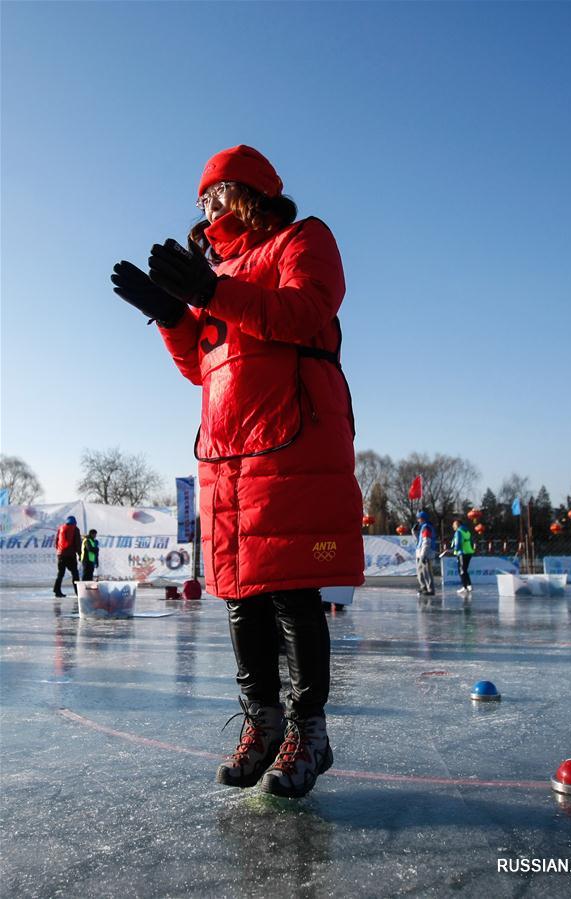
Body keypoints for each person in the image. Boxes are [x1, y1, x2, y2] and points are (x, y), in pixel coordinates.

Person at [111, 144, 364, 799]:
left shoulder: (301, 239)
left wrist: (209, 291)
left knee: (290, 585)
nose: (206, 207)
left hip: (292, 438)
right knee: (240, 593)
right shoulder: (214, 267)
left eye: (215, 194)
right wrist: (172, 313)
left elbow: (302, 312)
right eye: (201, 199)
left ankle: (309, 732)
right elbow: (202, 362)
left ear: (249, 192)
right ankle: (263, 724)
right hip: (226, 448)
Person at [53, 516, 81, 598]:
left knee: (60, 574)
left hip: (61, 554)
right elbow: (77, 543)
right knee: (75, 574)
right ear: (75, 522)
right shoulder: (75, 529)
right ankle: (78, 592)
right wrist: (79, 554)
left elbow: (56, 541)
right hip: (70, 555)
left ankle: (57, 590)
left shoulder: (61, 528)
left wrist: (59, 551)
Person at [415, 510, 436, 596]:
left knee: (426, 572)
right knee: (420, 571)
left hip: (426, 553)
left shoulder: (426, 528)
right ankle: (423, 587)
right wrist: (414, 532)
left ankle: (430, 589)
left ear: (422, 519)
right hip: (421, 553)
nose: (418, 521)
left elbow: (426, 542)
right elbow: (419, 541)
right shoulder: (423, 528)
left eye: (419, 519)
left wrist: (423, 555)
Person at [451, 518, 475, 594]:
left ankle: (464, 587)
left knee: (461, 570)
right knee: (465, 570)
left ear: (457, 525)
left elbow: (458, 543)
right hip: (469, 552)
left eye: (454, 525)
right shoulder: (467, 531)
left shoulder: (458, 532)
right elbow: (471, 542)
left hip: (462, 553)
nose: (453, 527)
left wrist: (455, 549)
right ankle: (469, 585)